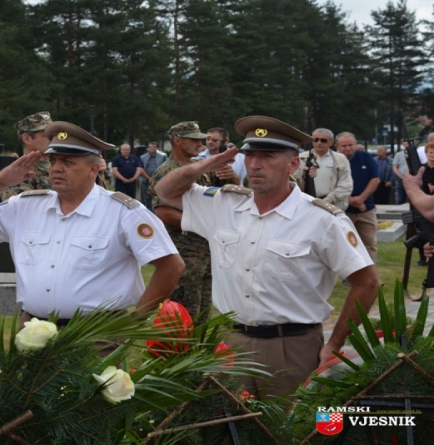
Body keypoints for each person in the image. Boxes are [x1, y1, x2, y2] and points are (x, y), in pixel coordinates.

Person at [155, 115, 379, 401]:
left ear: (293, 164)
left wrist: (335, 342)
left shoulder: (321, 219)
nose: (255, 164)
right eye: (250, 156)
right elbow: (164, 191)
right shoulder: (223, 204)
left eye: (268, 156)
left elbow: (367, 283)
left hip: (291, 347)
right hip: (230, 342)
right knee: (228, 431)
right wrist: (206, 163)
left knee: (288, 432)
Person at [0, 121, 185, 327]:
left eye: (68, 162)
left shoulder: (123, 212)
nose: (56, 168)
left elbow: (171, 265)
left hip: (95, 333)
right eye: (53, 160)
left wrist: (134, 322)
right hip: (32, 328)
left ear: (93, 169)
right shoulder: (25, 206)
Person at [147, 121, 233, 322]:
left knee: (202, 315)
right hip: (184, 251)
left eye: (200, 139)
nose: (200, 143)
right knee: (182, 315)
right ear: (178, 141)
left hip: (203, 250)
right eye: (193, 139)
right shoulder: (168, 171)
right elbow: (163, 212)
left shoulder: (197, 169)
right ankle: (180, 354)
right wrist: (202, 225)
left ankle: (199, 352)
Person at [337, 132, 380, 262]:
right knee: (346, 244)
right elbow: (333, 183)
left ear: (355, 144)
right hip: (343, 210)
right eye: (344, 145)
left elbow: (375, 179)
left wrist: (361, 198)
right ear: (336, 146)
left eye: (351, 144)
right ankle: (349, 276)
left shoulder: (365, 157)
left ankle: (370, 277)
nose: (348, 148)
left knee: (369, 244)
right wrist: (351, 200)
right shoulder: (334, 160)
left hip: (366, 209)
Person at [296, 128, 353, 210]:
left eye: (323, 140)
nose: (319, 143)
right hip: (306, 205)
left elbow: (346, 186)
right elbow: (292, 183)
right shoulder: (301, 158)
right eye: (315, 140)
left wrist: (327, 200)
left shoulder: (340, 159)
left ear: (331, 142)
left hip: (332, 205)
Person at [0, 111, 52, 201]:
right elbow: (22, 209)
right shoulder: (17, 173)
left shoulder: (64, 166)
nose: (52, 139)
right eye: (47, 135)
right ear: (27, 139)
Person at [138, 142, 167, 211]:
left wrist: (156, 179)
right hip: (146, 180)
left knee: (158, 198)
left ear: (157, 148)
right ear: (148, 148)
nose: (152, 148)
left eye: (154, 147)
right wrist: (149, 178)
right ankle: (146, 212)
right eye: (150, 147)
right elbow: (141, 169)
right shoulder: (143, 157)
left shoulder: (163, 156)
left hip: (159, 180)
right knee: (145, 198)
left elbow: (166, 168)